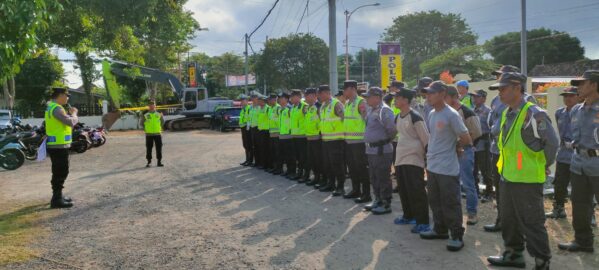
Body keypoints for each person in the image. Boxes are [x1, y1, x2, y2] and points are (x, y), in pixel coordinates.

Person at [486, 72, 558, 270]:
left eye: (503, 88)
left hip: (527, 179)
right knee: (508, 219)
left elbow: (551, 144)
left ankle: (542, 260)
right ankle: (513, 254)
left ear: (517, 88)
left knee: (532, 221)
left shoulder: (534, 113)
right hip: (508, 176)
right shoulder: (508, 112)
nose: (499, 93)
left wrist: (543, 164)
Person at [419, 81, 472, 252]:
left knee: (450, 202)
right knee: (434, 200)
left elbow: (466, 138)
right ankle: (440, 229)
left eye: (431, 93)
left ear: (442, 94)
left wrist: (457, 147)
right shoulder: (433, 113)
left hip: (448, 168)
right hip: (433, 165)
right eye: (427, 93)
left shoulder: (451, 114)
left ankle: (456, 235)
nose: (428, 96)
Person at [484, 64, 529, 233]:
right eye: (497, 76)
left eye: (501, 75)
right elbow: (492, 121)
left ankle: (520, 226)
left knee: (517, 192)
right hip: (498, 150)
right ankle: (502, 219)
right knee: (500, 188)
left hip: (516, 154)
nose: (498, 79)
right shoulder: (497, 99)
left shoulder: (527, 100)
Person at [558, 70, 599, 253]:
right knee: (579, 204)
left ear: (594, 85)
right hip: (578, 163)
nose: (578, 88)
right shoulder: (576, 110)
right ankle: (583, 241)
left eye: (582, 84)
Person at [392, 87, 431, 233]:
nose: (395, 100)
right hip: (400, 158)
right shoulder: (398, 116)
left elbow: (426, 139)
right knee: (404, 189)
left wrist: (428, 160)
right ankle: (408, 215)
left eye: (398, 98)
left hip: (414, 159)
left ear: (405, 100)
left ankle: (423, 221)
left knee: (417, 190)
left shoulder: (415, 116)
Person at [446, 86, 482, 225]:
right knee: (452, 183)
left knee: (468, 183)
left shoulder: (466, 112)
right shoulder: (446, 111)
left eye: (445, 97)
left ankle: (472, 213)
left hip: (464, 151)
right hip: (450, 151)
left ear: (454, 97)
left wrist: (463, 143)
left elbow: (476, 132)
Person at [363, 87, 397, 215]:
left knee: (383, 177)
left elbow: (392, 130)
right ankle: (377, 199)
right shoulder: (371, 109)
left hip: (381, 150)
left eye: (369, 97)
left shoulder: (385, 110)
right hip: (371, 150)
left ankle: (386, 203)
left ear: (377, 97)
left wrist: (384, 141)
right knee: (374, 176)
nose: (366, 99)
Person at [545, 86, 578, 219]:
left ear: (578, 96)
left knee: (580, 186)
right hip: (563, 154)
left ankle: (589, 214)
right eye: (565, 96)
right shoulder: (560, 112)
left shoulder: (582, 112)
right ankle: (558, 209)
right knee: (559, 183)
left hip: (578, 154)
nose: (567, 98)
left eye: (571, 96)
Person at [45, 87, 78, 208]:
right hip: (58, 146)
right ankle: (56, 199)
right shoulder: (57, 108)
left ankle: (58, 196)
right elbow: (70, 122)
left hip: (57, 145)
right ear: (60, 95)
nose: (68, 97)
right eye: (66, 95)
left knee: (59, 171)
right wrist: (74, 113)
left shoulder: (51, 107)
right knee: (61, 171)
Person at [342, 80, 370, 202]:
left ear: (352, 89)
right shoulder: (347, 103)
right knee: (352, 168)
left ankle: (366, 194)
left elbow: (367, 120)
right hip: (349, 142)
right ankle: (355, 190)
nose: (343, 92)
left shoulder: (361, 102)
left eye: (345, 89)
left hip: (359, 142)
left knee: (362, 168)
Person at [318, 85, 345, 194]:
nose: (318, 96)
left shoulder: (336, 104)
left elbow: (344, 118)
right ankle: (331, 184)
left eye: (320, 94)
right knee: (328, 164)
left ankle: (340, 187)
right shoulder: (323, 105)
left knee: (337, 165)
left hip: (336, 140)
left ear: (326, 93)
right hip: (326, 140)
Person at [472, 90, 493, 203]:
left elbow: (492, 129)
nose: (474, 99)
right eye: (474, 97)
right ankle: (475, 192)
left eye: (477, 97)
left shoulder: (488, 111)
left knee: (486, 170)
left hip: (484, 145)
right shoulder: (472, 111)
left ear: (484, 98)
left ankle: (489, 193)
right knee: (473, 170)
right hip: (473, 145)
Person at [303, 88, 322, 186]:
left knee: (318, 159)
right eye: (305, 95)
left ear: (314, 96)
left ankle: (320, 178)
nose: (305, 97)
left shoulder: (319, 107)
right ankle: (315, 176)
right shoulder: (307, 108)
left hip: (317, 138)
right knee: (311, 159)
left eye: (307, 95)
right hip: (309, 137)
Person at [140, 100, 165, 167]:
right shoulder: (145, 114)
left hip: (158, 134)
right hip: (149, 134)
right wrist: (145, 129)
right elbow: (141, 123)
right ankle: (149, 162)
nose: (151, 105)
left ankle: (159, 162)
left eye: (153, 104)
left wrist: (159, 128)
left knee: (159, 148)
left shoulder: (159, 113)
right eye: (150, 104)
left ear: (155, 105)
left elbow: (162, 121)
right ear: (148, 106)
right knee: (149, 148)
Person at [289, 89, 308, 181]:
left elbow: (309, 121)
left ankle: (305, 175)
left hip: (302, 136)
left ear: (298, 97)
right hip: (294, 135)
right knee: (298, 157)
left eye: (292, 96)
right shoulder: (293, 107)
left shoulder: (304, 107)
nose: (291, 98)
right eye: (291, 97)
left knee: (303, 157)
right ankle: (299, 173)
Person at [278, 93, 294, 177]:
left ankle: (291, 171)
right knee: (284, 154)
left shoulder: (289, 109)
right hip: (282, 135)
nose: (280, 100)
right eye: (279, 98)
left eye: (282, 98)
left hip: (289, 136)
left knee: (290, 155)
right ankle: (288, 170)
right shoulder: (281, 109)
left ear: (287, 99)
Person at [266, 94, 282, 174]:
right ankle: (275, 167)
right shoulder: (270, 108)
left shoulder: (278, 108)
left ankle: (279, 168)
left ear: (274, 99)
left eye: (270, 99)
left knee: (278, 152)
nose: (269, 101)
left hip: (277, 133)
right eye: (269, 100)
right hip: (272, 133)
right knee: (273, 151)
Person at [239, 95, 253, 166]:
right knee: (245, 145)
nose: (242, 102)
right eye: (241, 101)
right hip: (243, 129)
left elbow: (250, 118)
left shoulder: (249, 108)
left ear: (247, 101)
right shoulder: (242, 109)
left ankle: (250, 160)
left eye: (243, 100)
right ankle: (247, 160)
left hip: (248, 129)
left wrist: (248, 127)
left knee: (248, 145)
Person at [249, 94, 261, 167]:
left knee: (259, 146)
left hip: (258, 128)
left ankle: (260, 162)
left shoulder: (259, 107)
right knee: (254, 146)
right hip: (252, 128)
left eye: (255, 98)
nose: (253, 99)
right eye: (252, 98)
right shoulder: (251, 107)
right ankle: (256, 162)